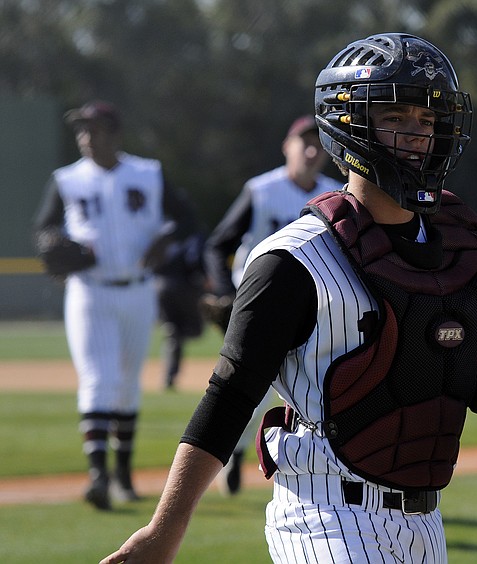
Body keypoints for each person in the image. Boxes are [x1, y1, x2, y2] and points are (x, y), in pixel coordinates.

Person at [100, 33, 477, 563]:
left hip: (426, 524)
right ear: (348, 123)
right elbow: (229, 397)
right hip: (324, 515)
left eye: (427, 121)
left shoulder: (454, 244)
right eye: (396, 118)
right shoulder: (293, 260)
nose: (417, 136)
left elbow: (472, 367)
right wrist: (164, 529)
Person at [32, 100, 198, 510]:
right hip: (90, 290)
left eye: (95, 129)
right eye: (81, 131)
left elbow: (189, 219)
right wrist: (53, 244)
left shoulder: (147, 172)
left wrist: (164, 240)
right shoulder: (67, 179)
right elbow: (45, 227)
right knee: (97, 378)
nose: (87, 138)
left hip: (139, 289)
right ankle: (97, 476)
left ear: (114, 133)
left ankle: (123, 476)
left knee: (127, 383)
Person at [203, 115, 342, 494]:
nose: (311, 151)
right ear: (287, 146)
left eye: (318, 145)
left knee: (315, 392)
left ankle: (310, 476)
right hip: (260, 308)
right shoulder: (261, 190)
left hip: (318, 311)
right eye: (304, 143)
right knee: (249, 389)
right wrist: (227, 294)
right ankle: (234, 453)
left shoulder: (336, 195)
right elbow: (219, 244)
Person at [154, 231, 207, 390]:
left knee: (173, 330)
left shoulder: (160, 230)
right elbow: (194, 259)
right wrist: (202, 276)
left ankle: (170, 373)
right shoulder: (193, 232)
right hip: (184, 286)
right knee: (196, 330)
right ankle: (177, 334)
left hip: (160, 286)